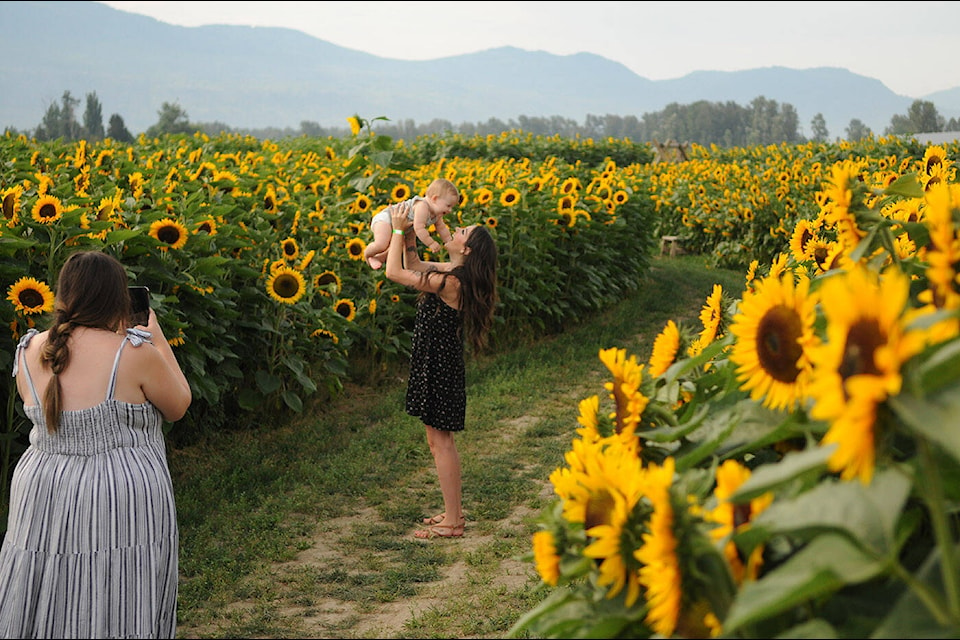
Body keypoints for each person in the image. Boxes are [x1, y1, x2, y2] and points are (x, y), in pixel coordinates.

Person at [0, 250, 192, 639]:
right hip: (117, 495)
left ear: (62, 294)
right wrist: (154, 336)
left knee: (43, 582)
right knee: (114, 587)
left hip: (40, 487)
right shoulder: (133, 352)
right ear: (117, 296)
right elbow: (179, 405)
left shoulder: (29, 349)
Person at [384, 199, 497, 539]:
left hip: (440, 368)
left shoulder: (453, 282)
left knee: (441, 442)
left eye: (462, 231)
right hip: (436, 365)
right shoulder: (451, 273)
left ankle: (454, 523)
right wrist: (408, 241)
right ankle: (453, 513)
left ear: (466, 248)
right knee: (437, 440)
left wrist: (397, 229)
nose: (455, 228)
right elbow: (415, 262)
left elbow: (395, 273)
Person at [365, 178, 459, 269]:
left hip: (399, 225)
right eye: (448, 205)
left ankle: (378, 258)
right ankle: (368, 254)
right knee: (381, 244)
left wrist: (450, 242)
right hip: (386, 219)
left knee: (397, 245)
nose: (450, 210)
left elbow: (442, 228)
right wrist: (431, 243)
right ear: (435, 198)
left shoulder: (437, 214)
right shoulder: (422, 206)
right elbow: (419, 228)